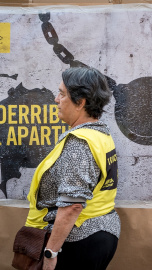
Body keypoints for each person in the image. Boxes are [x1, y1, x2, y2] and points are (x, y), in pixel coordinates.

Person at [25, 67, 120, 270]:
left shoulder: (80, 142)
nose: (56, 99)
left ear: (81, 102)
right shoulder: (100, 134)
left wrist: (50, 254)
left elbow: (72, 205)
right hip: (101, 232)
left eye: (62, 94)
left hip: (79, 240)